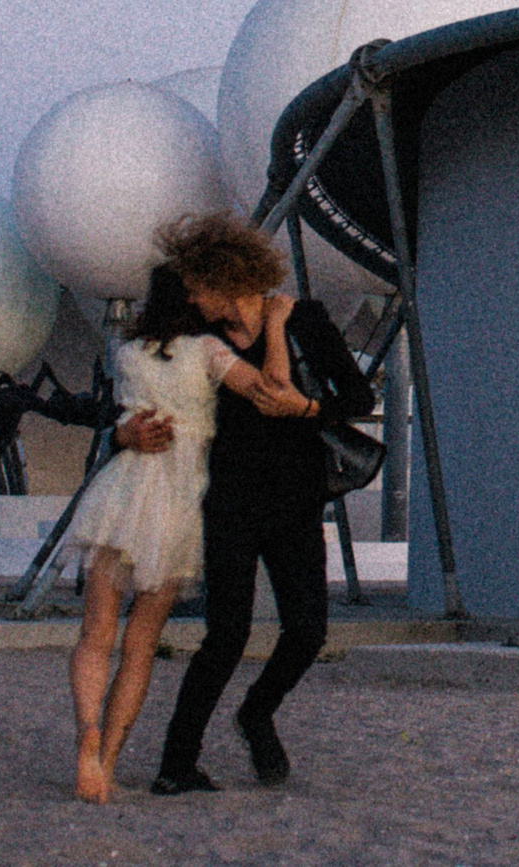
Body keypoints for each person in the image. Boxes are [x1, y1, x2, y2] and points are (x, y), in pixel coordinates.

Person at [124, 216, 374, 795]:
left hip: (295, 498)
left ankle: (257, 713)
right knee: (225, 636)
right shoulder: (197, 338)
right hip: (230, 499)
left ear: (228, 277)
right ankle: (176, 765)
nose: (189, 296)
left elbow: (358, 397)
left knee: (307, 631)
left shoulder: (304, 319)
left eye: (198, 284)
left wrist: (309, 411)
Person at [63, 222, 310, 803]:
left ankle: (87, 735)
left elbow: (113, 417)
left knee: (95, 634)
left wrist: (125, 434)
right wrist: (275, 327)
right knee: (141, 641)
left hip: (124, 492)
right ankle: (111, 758)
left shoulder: (126, 355)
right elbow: (273, 388)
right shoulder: (208, 352)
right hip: (179, 498)